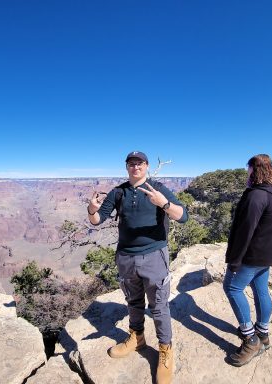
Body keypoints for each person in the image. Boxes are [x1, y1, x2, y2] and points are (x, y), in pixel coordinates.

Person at [88, 151, 188, 384]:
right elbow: (97, 220)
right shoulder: (118, 192)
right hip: (126, 257)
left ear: (147, 166)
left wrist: (163, 203)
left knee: (159, 305)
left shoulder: (157, 188)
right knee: (133, 302)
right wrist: (92, 209)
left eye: (140, 163)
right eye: (131, 164)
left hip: (154, 256)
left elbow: (183, 216)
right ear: (126, 167)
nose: (136, 167)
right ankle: (137, 337)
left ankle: (165, 349)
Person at [223, 154, 272, 366]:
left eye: (248, 169)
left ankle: (251, 339)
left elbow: (244, 232)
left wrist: (234, 261)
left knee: (232, 288)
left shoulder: (256, 195)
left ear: (255, 169)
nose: (246, 174)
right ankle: (263, 333)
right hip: (267, 255)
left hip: (253, 255)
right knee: (261, 289)